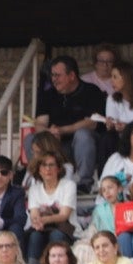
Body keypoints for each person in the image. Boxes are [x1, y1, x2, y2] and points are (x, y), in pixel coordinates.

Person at [33, 56, 107, 190]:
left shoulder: (91, 91)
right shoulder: (48, 94)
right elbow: (39, 123)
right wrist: (49, 132)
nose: (53, 79)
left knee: (83, 134)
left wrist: (62, 130)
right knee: (31, 139)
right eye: (52, 75)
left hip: (85, 146)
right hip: (58, 145)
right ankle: (40, 181)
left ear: (72, 75)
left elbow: (92, 123)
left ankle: (85, 183)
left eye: (57, 75)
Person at [23, 152, 76, 264]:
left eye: (51, 165)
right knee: (34, 235)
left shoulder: (68, 185)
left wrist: (44, 220)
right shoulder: (34, 189)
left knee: (56, 235)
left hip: (65, 228)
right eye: (43, 165)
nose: (48, 169)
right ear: (39, 170)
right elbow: (34, 214)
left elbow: (64, 215)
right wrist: (37, 222)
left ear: (58, 168)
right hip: (42, 228)